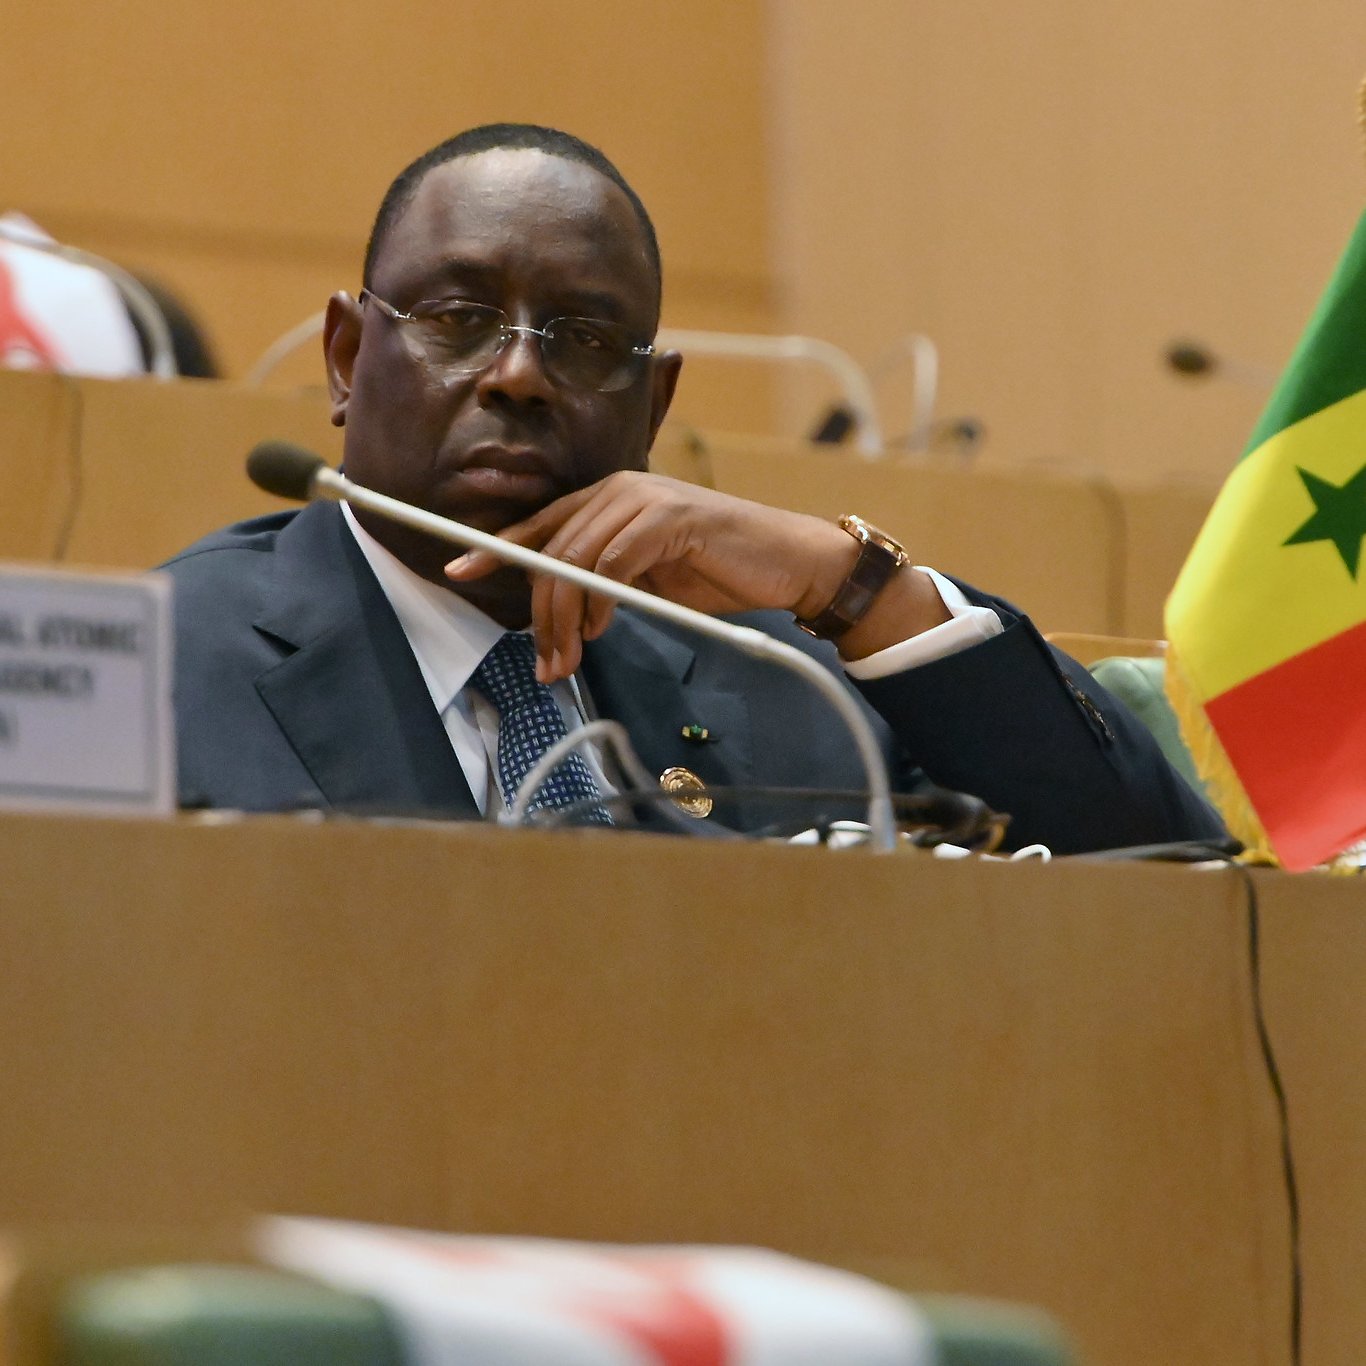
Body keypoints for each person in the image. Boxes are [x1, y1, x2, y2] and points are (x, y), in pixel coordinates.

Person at [163, 123, 1223, 853]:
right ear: (347, 357)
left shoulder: (784, 680)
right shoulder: (168, 660)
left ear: (654, 406)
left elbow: (1164, 871)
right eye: (457, 319)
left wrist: (851, 583)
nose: (518, 374)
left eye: (581, 339)